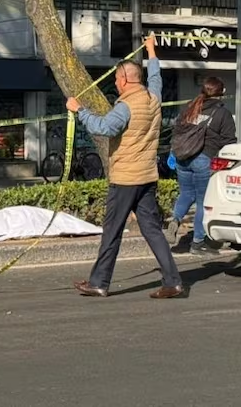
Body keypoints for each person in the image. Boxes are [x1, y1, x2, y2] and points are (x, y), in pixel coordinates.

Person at [66, 36, 185, 299]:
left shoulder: (126, 106)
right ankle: (173, 281)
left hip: (125, 179)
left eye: (118, 80)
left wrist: (79, 110)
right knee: (153, 230)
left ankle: (99, 282)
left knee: (112, 232)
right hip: (146, 177)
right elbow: (156, 78)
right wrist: (152, 50)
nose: (117, 85)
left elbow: (103, 128)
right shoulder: (153, 98)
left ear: (125, 80)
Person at [164, 76, 236, 255]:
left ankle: (175, 218)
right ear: (222, 93)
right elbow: (229, 141)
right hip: (204, 159)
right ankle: (197, 243)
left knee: (186, 193)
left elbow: (177, 129)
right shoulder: (222, 113)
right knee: (203, 202)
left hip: (183, 158)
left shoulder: (190, 107)